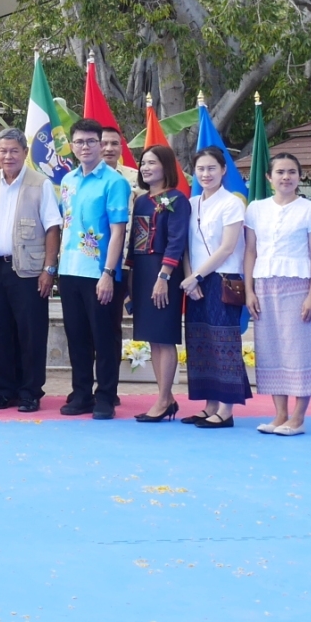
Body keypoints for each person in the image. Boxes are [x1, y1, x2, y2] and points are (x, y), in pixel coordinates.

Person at [242, 151, 311, 435]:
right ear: (269, 177)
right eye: (280, 172)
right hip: (264, 285)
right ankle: (280, 414)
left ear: (300, 176)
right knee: (271, 350)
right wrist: (249, 290)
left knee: (299, 350)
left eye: (292, 172)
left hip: (298, 285)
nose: (286, 177)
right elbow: (250, 251)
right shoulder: (256, 209)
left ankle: (298, 417)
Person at [0, 129, 62, 412]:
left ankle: (30, 392)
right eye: (3, 150)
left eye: (14, 150)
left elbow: (52, 227)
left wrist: (49, 268)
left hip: (29, 270)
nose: (8, 156)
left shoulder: (40, 183)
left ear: (25, 152)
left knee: (31, 333)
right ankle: (4, 390)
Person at [56, 118, 131, 419]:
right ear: (72, 146)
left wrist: (109, 273)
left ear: (100, 145)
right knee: (77, 337)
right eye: (79, 142)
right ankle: (82, 393)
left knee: (104, 337)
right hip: (69, 270)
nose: (84, 147)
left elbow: (118, 231)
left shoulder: (114, 182)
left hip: (100, 272)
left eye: (90, 141)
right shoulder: (68, 181)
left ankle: (106, 396)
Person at [181, 147, 250, 428]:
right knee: (200, 341)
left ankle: (226, 410)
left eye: (211, 168)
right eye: (200, 169)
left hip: (223, 278)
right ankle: (209, 405)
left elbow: (227, 247)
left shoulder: (232, 203)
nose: (206, 174)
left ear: (223, 170)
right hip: (195, 281)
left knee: (224, 342)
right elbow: (186, 246)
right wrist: (191, 278)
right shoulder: (191, 203)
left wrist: (197, 276)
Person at [128, 145, 190, 422]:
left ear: (166, 166)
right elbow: (133, 241)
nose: (145, 167)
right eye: (143, 163)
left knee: (164, 336)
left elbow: (177, 241)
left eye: (152, 162)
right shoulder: (141, 201)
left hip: (163, 272)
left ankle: (163, 400)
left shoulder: (177, 199)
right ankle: (166, 397)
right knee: (153, 338)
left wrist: (164, 276)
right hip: (142, 272)